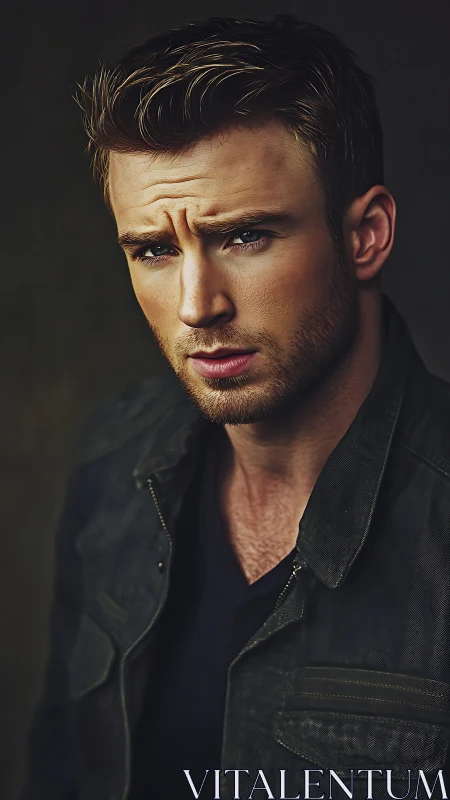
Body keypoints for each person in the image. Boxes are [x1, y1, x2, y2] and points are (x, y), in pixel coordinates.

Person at [22, 14, 450, 800]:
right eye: (154, 249)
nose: (196, 306)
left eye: (246, 236)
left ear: (367, 236)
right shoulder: (113, 461)